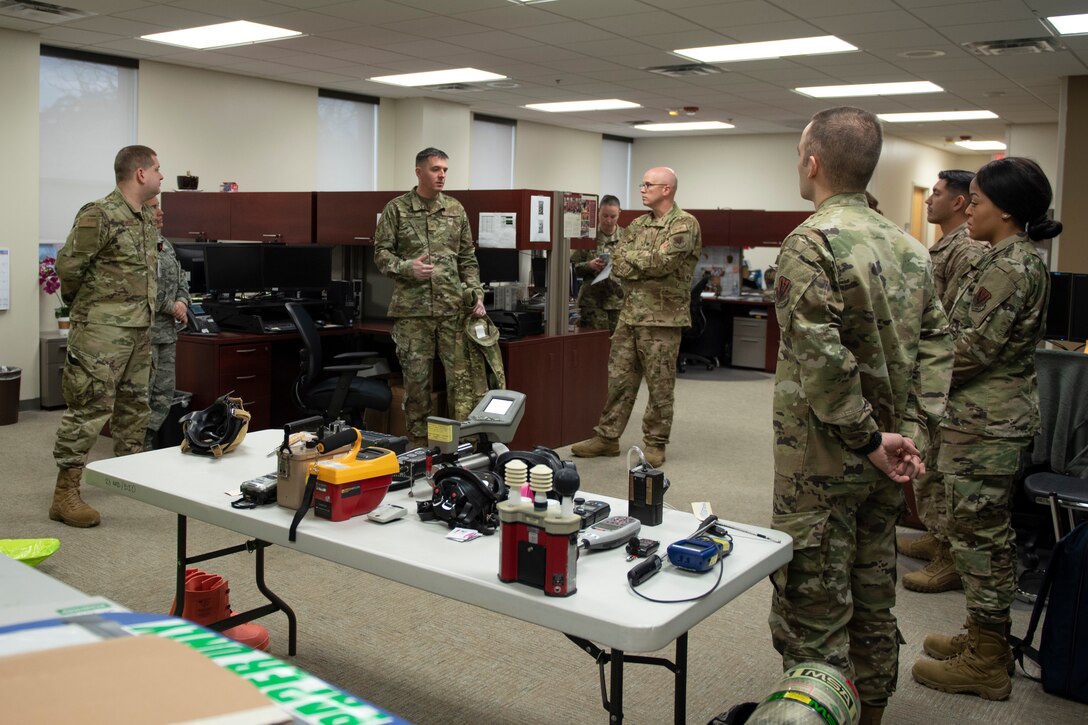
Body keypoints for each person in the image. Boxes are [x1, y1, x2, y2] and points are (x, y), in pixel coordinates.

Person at [767, 107, 953, 725]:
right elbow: (937, 350)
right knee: (875, 594)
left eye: (799, 151)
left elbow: (819, 359)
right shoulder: (910, 245)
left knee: (814, 604)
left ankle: (814, 713)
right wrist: (911, 438)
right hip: (888, 458)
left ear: (813, 162)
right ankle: (869, 714)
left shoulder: (810, 242)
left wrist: (868, 437)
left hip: (822, 461)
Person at [912, 157, 1059, 700]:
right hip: (979, 419)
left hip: (987, 423)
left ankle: (988, 660)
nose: (967, 207)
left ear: (1007, 208)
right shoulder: (1002, 257)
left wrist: (914, 367)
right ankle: (983, 633)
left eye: (975, 200)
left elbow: (972, 348)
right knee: (982, 535)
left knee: (980, 539)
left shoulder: (1010, 266)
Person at [51, 145, 162, 527]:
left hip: (138, 328)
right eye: (158, 169)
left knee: (135, 407)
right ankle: (65, 493)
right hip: (101, 332)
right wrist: (88, 311)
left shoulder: (146, 216)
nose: (162, 176)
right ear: (141, 174)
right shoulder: (99, 214)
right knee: (89, 408)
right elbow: (69, 267)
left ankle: (129, 475)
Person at [570, 167, 701, 468]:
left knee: (659, 385)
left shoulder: (684, 224)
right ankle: (607, 437)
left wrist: (634, 261)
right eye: (642, 184)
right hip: (629, 316)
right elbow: (619, 262)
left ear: (666, 189)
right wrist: (634, 262)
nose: (642, 189)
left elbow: (663, 264)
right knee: (619, 379)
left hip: (662, 320)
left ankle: (655, 443)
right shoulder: (638, 224)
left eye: (648, 184)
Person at [899, 170, 990, 593]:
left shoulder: (968, 250)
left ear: (957, 202)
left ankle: (948, 554)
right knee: (931, 465)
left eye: (935, 194)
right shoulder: (944, 246)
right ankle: (938, 537)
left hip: (954, 378)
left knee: (943, 472)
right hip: (939, 373)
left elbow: (958, 323)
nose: (928, 201)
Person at [374, 147, 485, 448]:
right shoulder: (396, 209)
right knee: (417, 385)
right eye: (436, 169)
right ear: (419, 171)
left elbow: (468, 257)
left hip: (452, 310)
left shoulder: (455, 209)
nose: (442, 175)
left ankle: (464, 447)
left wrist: (475, 292)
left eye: (445, 170)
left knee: (461, 384)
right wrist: (407, 268)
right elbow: (381, 254)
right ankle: (421, 448)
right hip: (413, 313)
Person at [144, 195, 191, 450]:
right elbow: (141, 286)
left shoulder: (165, 245)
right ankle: (134, 452)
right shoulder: (137, 245)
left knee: (162, 398)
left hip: (167, 335)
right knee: (141, 399)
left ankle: (148, 446)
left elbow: (181, 279)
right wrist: (171, 306)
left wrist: (183, 302)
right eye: (153, 207)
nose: (160, 212)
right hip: (145, 336)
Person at [570, 195, 624, 332]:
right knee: (593, 346)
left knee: (616, 346)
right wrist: (589, 265)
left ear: (619, 213)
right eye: (605, 216)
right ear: (598, 212)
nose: (608, 220)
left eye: (613, 216)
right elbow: (573, 268)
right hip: (591, 302)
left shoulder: (627, 237)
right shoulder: (587, 235)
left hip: (616, 302)